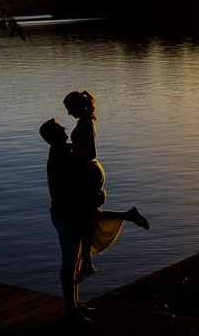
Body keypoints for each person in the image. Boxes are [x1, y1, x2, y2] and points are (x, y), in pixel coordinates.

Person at [63, 90, 149, 284]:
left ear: (77, 106)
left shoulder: (87, 124)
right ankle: (127, 215)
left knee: (85, 219)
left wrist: (71, 156)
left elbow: (91, 153)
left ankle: (87, 263)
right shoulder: (81, 122)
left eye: (69, 109)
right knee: (89, 215)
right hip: (86, 172)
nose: (68, 113)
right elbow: (80, 146)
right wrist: (65, 147)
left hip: (90, 173)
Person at [39, 118, 95, 325]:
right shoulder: (61, 156)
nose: (64, 127)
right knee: (69, 263)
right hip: (66, 216)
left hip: (66, 214)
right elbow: (84, 156)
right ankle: (71, 310)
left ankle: (75, 303)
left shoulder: (59, 150)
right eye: (59, 127)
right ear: (54, 136)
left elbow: (75, 148)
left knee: (73, 261)